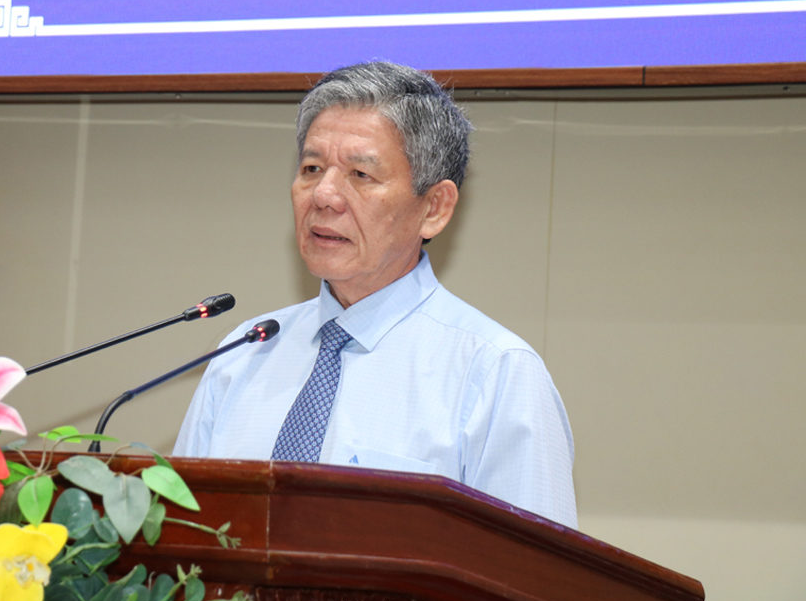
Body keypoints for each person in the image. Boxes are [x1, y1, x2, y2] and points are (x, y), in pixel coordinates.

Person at [173, 61, 577, 528]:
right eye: (311, 168)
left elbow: (532, 567)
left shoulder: (495, 373)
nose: (323, 195)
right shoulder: (245, 352)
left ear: (434, 208)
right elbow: (180, 539)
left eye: (360, 174)